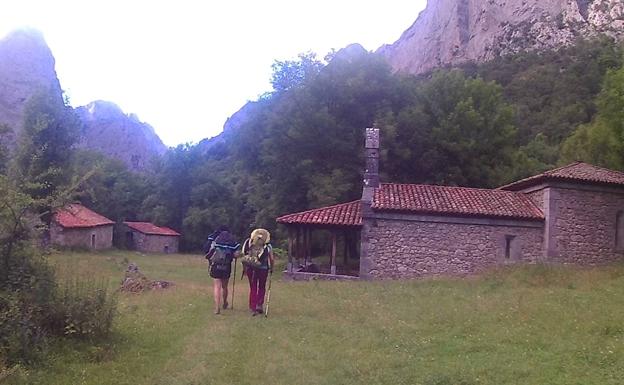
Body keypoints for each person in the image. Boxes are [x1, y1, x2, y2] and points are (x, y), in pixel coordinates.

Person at [206, 227, 239, 315]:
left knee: (217, 286)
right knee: (225, 286)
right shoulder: (231, 241)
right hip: (226, 266)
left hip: (216, 265)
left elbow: (209, 251)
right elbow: (236, 254)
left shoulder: (216, 239)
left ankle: (217, 308)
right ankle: (224, 303)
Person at [241, 229, 274, 316]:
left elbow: (244, 256)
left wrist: (244, 269)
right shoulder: (268, 246)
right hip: (263, 269)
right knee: (262, 287)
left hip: (251, 268)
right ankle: (259, 305)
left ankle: (253, 307)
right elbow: (272, 259)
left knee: (253, 287)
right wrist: (272, 268)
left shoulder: (249, 243)